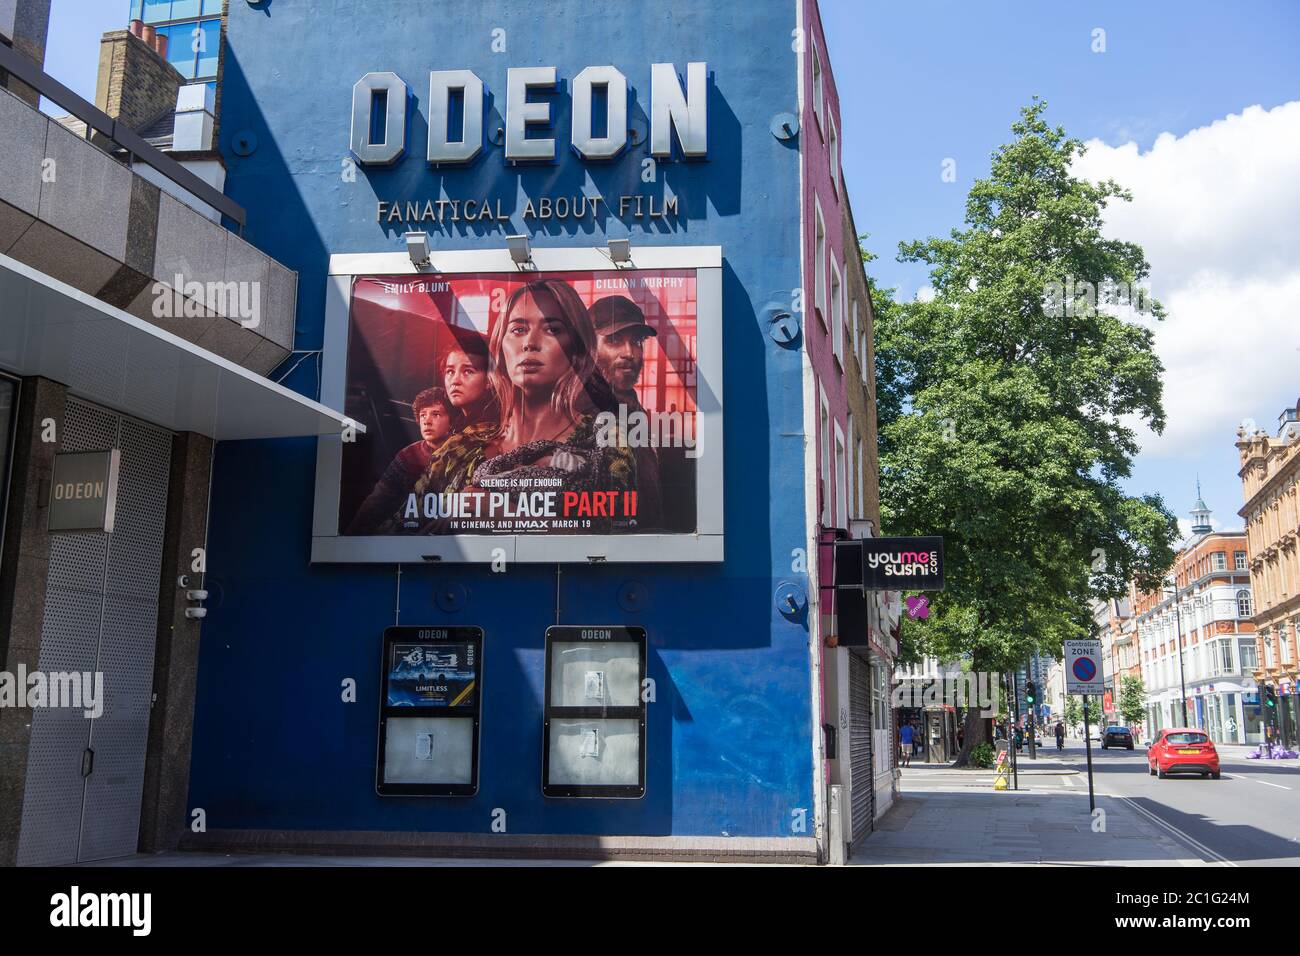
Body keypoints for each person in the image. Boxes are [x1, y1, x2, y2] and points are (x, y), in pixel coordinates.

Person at [408, 278, 636, 531]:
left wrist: (507, 514)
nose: (530, 343)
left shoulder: (606, 439)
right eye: (518, 329)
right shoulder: (462, 445)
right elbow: (398, 528)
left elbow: (625, 532)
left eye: (552, 330)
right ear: (500, 346)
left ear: (577, 349)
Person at [591, 296, 664, 529]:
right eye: (614, 340)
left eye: (637, 341)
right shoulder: (577, 409)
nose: (629, 352)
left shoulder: (632, 408)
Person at [346, 386, 460, 534]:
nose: (427, 421)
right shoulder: (408, 455)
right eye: (423, 415)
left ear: (451, 421)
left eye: (436, 414)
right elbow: (376, 502)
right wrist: (350, 538)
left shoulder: (466, 452)